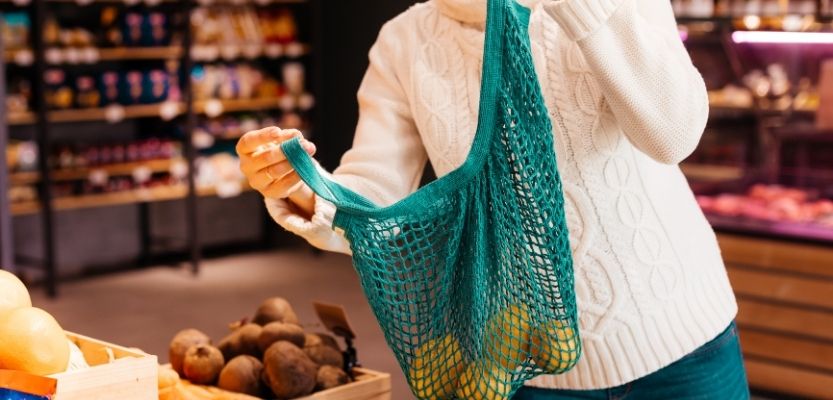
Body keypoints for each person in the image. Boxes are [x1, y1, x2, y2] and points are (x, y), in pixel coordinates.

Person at [236, 0, 749, 398]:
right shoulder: (404, 42)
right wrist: (305, 190)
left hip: (682, 348)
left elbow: (674, 135)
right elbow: (374, 200)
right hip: (525, 365)